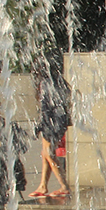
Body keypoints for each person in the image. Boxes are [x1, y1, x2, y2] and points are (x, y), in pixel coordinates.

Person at [31, 67, 71, 199]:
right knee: (45, 153)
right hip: (58, 122)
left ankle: (64, 186)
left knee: (48, 153)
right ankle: (43, 186)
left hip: (50, 123)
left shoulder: (46, 83)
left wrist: (38, 126)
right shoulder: (59, 82)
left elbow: (45, 108)